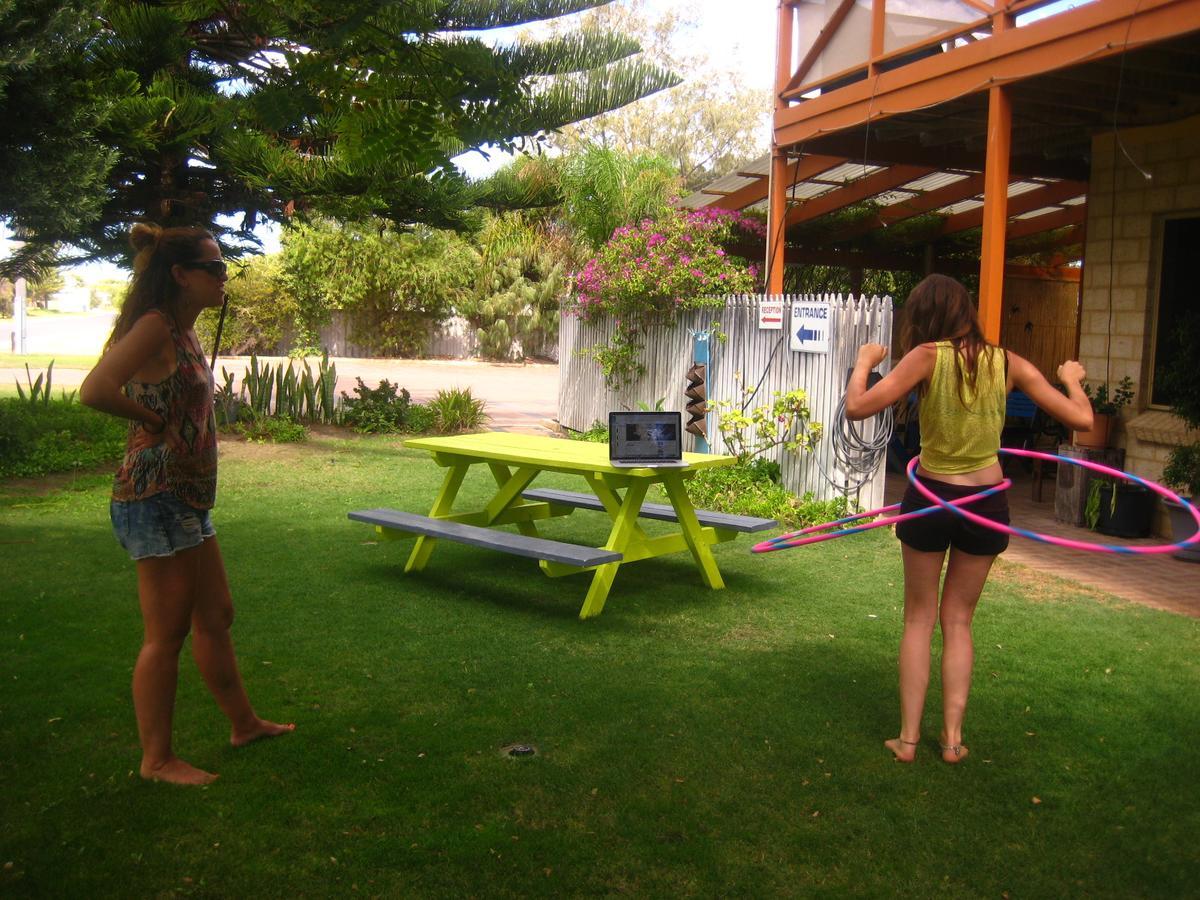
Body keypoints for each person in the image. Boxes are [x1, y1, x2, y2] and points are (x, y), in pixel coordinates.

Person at [844, 274, 1093, 764]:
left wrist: (863, 363)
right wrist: (1072, 381)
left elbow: (857, 406)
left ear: (926, 316)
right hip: (986, 502)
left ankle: (909, 740)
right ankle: (953, 742)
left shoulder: (926, 357)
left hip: (933, 495)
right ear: (967, 311)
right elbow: (1082, 421)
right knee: (957, 621)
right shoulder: (1009, 362)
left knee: (919, 618)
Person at [81, 223, 294, 785]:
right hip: (155, 496)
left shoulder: (185, 329)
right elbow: (96, 388)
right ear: (180, 274)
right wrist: (151, 421)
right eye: (214, 268)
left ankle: (243, 724)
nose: (224, 277)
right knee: (166, 633)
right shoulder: (155, 326)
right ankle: (156, 760)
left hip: (188, 499)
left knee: (216, 615)